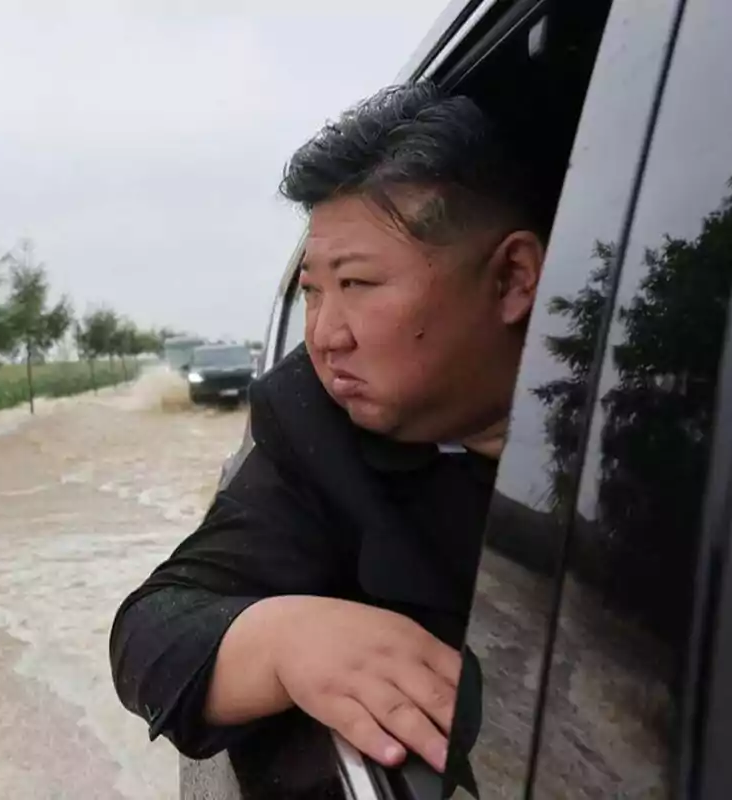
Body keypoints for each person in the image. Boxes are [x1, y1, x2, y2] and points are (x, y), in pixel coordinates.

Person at [109, 81, 551, 795]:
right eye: (313, 291)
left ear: (511, 280)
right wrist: (284, 640)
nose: (323, 336)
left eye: (357, 285)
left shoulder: (656, 425)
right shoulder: (314, 424)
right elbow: (153, 632)